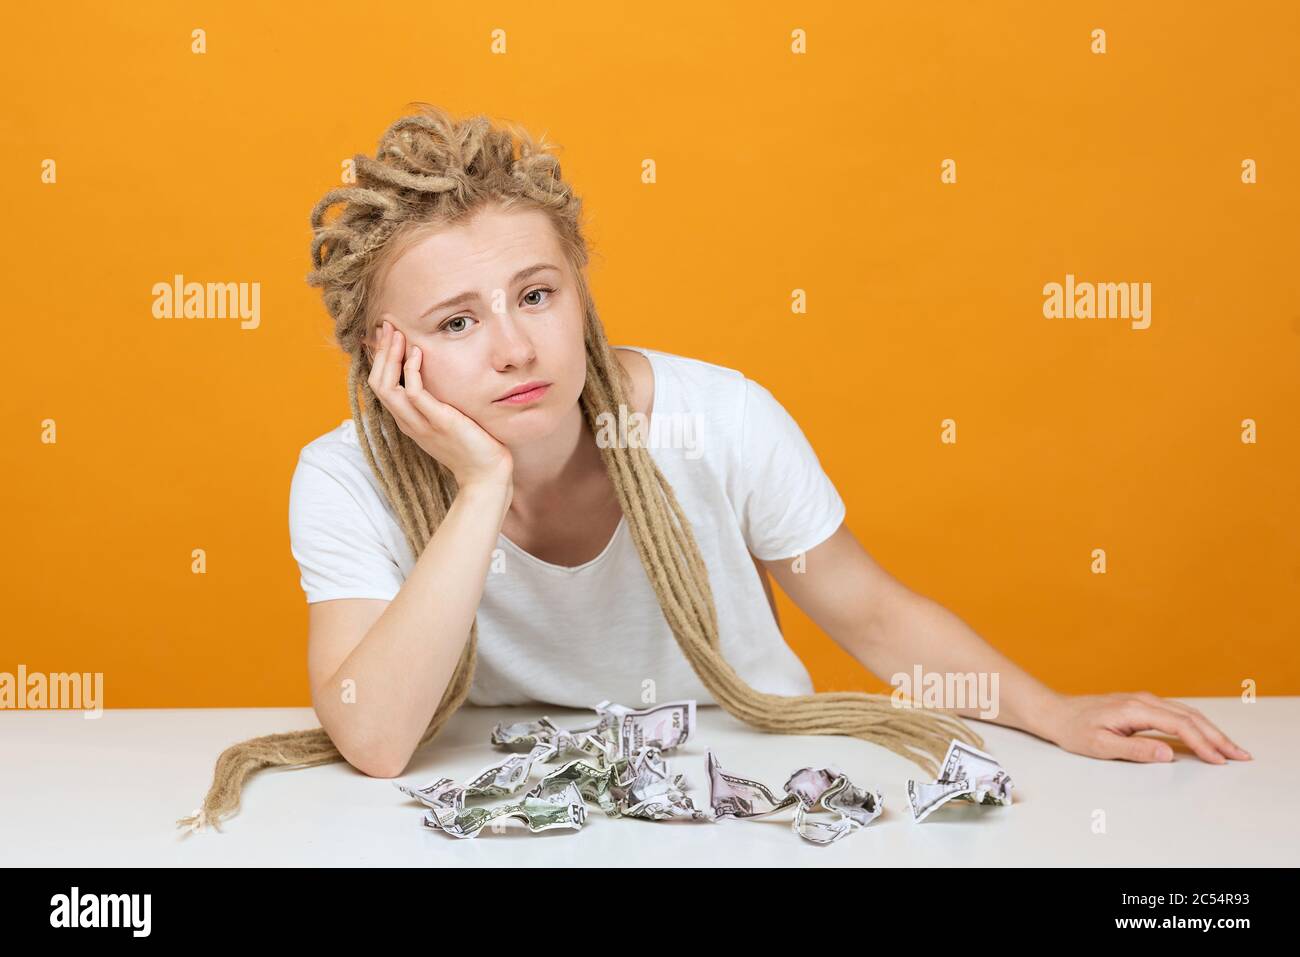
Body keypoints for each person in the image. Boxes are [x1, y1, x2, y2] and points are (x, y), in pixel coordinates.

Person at [177, 103, 1249, 833]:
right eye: (457, 320)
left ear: (580, 288)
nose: (514, 346)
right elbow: (371, 739)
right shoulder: (343, 478)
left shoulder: (717, 417)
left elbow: (869, 613)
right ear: (387, 356)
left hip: (756, 786)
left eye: (537, 294)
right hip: (532, 808)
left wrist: (1055, 715)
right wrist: (480, 488)